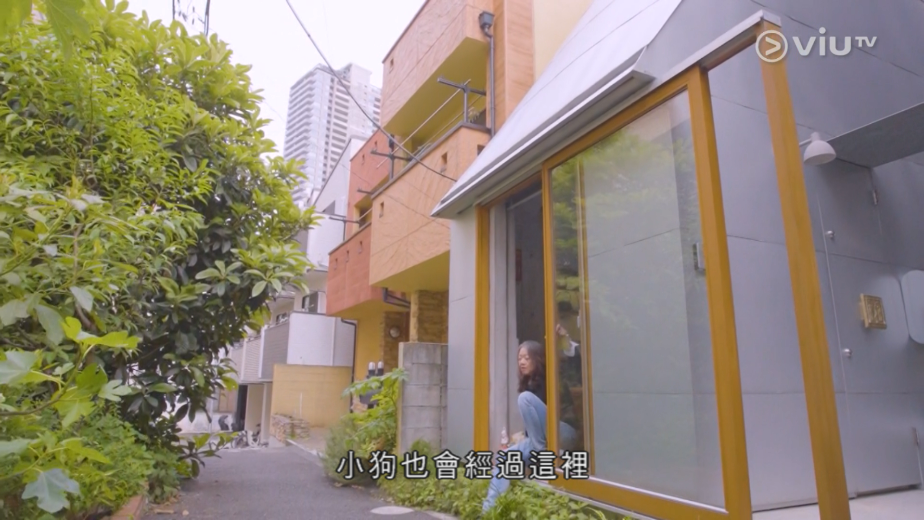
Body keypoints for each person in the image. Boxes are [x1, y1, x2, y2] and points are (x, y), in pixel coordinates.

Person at [482, 340, 579, 512]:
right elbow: (537, 425)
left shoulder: (551, 378)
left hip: (565, 432)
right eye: (519, 358)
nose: (522, 362)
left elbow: (574, 362)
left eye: (526, 358)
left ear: (537, 359)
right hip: (544, 440)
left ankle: (541, 454)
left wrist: (564, 340)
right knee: (504, 457)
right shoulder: (529, 384)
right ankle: (489, 511)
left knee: (524, 399)